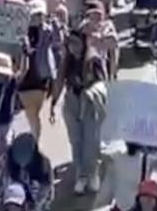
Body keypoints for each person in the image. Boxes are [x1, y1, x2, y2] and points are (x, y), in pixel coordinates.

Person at [56, 29, 109, 193]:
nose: (73, 47)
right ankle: (81, 175)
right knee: (76, 140)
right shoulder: (67, 61)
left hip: (90, 102)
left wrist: (91, 91)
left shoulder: (93, 60)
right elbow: (59, 81)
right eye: (70, 43)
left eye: (76, 43)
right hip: (72, 100)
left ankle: (93, 174)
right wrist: (53, 103)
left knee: (91, 140)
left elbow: (103, 82)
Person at [19, 0, 61, 140]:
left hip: (42, 75)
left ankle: (35, 140)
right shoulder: (22, 31)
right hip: (25, 75)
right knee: (31, 113)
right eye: (33, 15)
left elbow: (57, 43)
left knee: (34, 112)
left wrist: (55, 23)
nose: (36, 18)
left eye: (39, 14)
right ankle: (35, 139)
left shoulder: (48, 29)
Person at [0, 133, 54, 211]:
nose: (22, 167)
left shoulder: (43, 165)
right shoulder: (4, 161)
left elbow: (47, 193)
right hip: (8, 197)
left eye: (26, 165)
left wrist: (35, 207)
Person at [103, 142, 157, 209]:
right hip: (123, 207)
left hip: (141, 206)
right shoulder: (116, 158)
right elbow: (107, 189)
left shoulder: (146, 159)